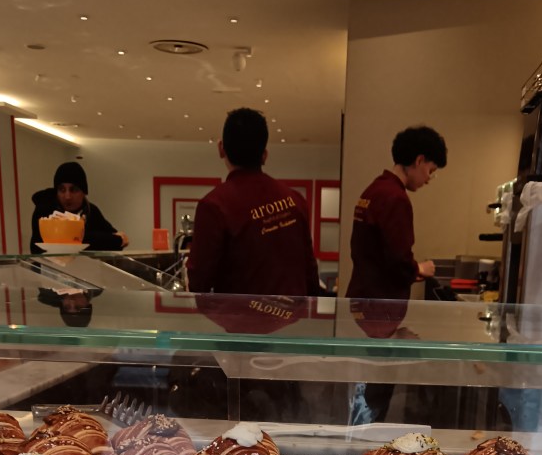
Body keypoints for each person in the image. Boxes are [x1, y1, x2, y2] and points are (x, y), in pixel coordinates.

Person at [186, 107, 319, 299]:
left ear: (221, 148)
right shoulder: (295, 200)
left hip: (243, 317)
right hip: (293, 316)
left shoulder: (214, 206)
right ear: (264, 154)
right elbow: (310, 275)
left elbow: (199, 282)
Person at [346, 124, 448, 340]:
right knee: (383, 358)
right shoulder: (396, 198)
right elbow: (398, 258)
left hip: (361, 297)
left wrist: (410, 271)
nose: (428, 179)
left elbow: (372, 250)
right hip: (380, 304)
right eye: (430, 171)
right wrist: (419, 268)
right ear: (419, 160)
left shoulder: (373, 190)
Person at [30, 161, 129, 253]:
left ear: (84, 192)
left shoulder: (91, 210)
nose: (67, 196)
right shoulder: (44, 209)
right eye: (62, 190)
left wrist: (112, 239)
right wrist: (98, 239)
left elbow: (118, 242)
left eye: (73, 190)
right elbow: (38, 247)